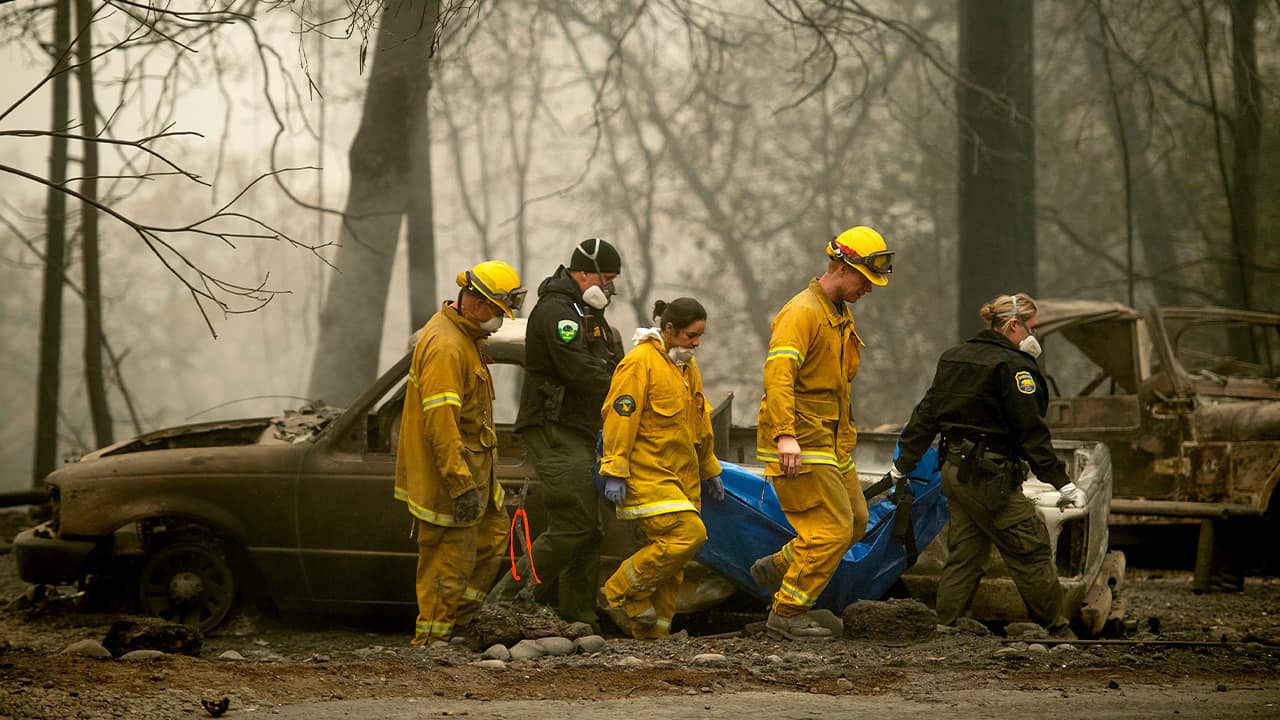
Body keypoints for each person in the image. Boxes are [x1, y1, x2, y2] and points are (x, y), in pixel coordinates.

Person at [890, 292, 1079, 637]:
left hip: (954, 473)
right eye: (1032, 329)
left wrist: (903, 463)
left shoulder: (953, 358)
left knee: (967, 552)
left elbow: (926, 414)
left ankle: (946, 624)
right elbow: (1031, 431)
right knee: (1030, 549)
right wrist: (1062, 482)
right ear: (1012, 326)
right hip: (990, 479)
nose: (1035, 338)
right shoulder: (1014, 366)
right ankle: (1056, 629)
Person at [751, 226, 893, 641]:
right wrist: (784, 436)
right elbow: (778, 376)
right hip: (801, 438)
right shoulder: (802, 313)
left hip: (832, 441)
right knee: (830, 531)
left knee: (856, 522)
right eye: (866, 280)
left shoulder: (837, 314)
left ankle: (779, 566)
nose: (869, 289)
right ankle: (788, 612)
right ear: (842, 266)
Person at [487, 238, 624, 629]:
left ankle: (577, 616)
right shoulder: (556, 313)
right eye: (607, 277)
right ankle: (501, 606)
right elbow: (579, 370)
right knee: (574, 523)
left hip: (579, 430)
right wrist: (625, 385)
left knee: (590, 528)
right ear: (584, 273)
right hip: (554, 428)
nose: (610, 286)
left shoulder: (588, 312)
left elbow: (608, 360)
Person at [395, 260, 526, 646]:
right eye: (499, 313)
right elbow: (441, 426)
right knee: (446, 562)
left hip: (477, 471)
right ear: (476, 303)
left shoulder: (465, 338)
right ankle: (432, 643)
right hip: (452, 478)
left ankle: (461, 621)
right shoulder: (446, 347)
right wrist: (460, 485)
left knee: (491, 537)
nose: (502, 321)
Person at [598, 298, 724, 639]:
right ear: (668, 330)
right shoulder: (639, 364)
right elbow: (620, 418)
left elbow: (701, 421)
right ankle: (622, 589)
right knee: (689, 534)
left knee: (673, 565)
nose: (696, 343)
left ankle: (654, 638)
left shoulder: (685, 366)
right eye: (690, 336)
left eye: (700, 336)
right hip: (647, 473)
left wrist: (709, 467)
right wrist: (614, 468)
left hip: (681, 476)